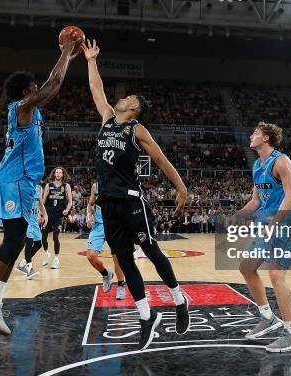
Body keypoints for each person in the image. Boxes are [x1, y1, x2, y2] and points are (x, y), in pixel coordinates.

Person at [0, 32, 80, 339]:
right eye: (33, 85)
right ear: (26, 89)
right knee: (12, 240)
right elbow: (52, 84)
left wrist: (66, 57)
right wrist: (65, 52)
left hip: (25, 183)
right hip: (12, 180)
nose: (38, 87)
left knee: (18, 243)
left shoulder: (33, 109)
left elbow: (52, 86)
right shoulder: (20, 107)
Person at [83, 39, 190, 350]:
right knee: (124, 260)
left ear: (133, 108)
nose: (122, 97)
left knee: (153, 251)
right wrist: (91, 60)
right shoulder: (107, 120)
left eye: (128, 96)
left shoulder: (136, 129)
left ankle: (178, 299)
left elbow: (160, 159)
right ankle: (146, 315)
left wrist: (181, 187)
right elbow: (97, 91)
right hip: (107, 202)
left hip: (131, 200)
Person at [228, 121, 291, 352]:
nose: (251, 136)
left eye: (256, 133)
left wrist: (273, 224)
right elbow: (257, 200)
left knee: (275, 275)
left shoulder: (281, 160)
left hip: (286, 221)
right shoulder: (257, 165)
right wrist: (237, 215)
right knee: (247, 267)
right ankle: (268, 318)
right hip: (268, 223)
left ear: (266, 138)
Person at [86, 182, 127, 299]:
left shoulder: (119, 184)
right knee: (91, 256)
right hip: (98, 226)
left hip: (114, 225)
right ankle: (106, 274)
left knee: (116, 257)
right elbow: (90, 204)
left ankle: (120, 286)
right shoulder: (95, 186)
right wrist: (89, 217)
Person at [41, 166, 72, 269]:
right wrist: (40, 213)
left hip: (58, 216)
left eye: (60, 172)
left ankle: (56, 259)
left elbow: (70, 202)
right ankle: (46, 253)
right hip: (48, 215)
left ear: (62, 175)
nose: (58, 174)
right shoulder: (48, 186)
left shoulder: (66, 186)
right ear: (54, 174)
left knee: (55, 237)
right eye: (57, 172)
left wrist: (67, 209)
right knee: (43, 237)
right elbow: (43, 200)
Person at [15, 184, 48, 279]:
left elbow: (40, 203)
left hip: (34, 221)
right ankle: (29, 269)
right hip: (25, 219)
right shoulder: (23, 186)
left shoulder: (39, 188)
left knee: (38, 244)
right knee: (29, 242)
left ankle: (22, 265)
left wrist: (45, 216)